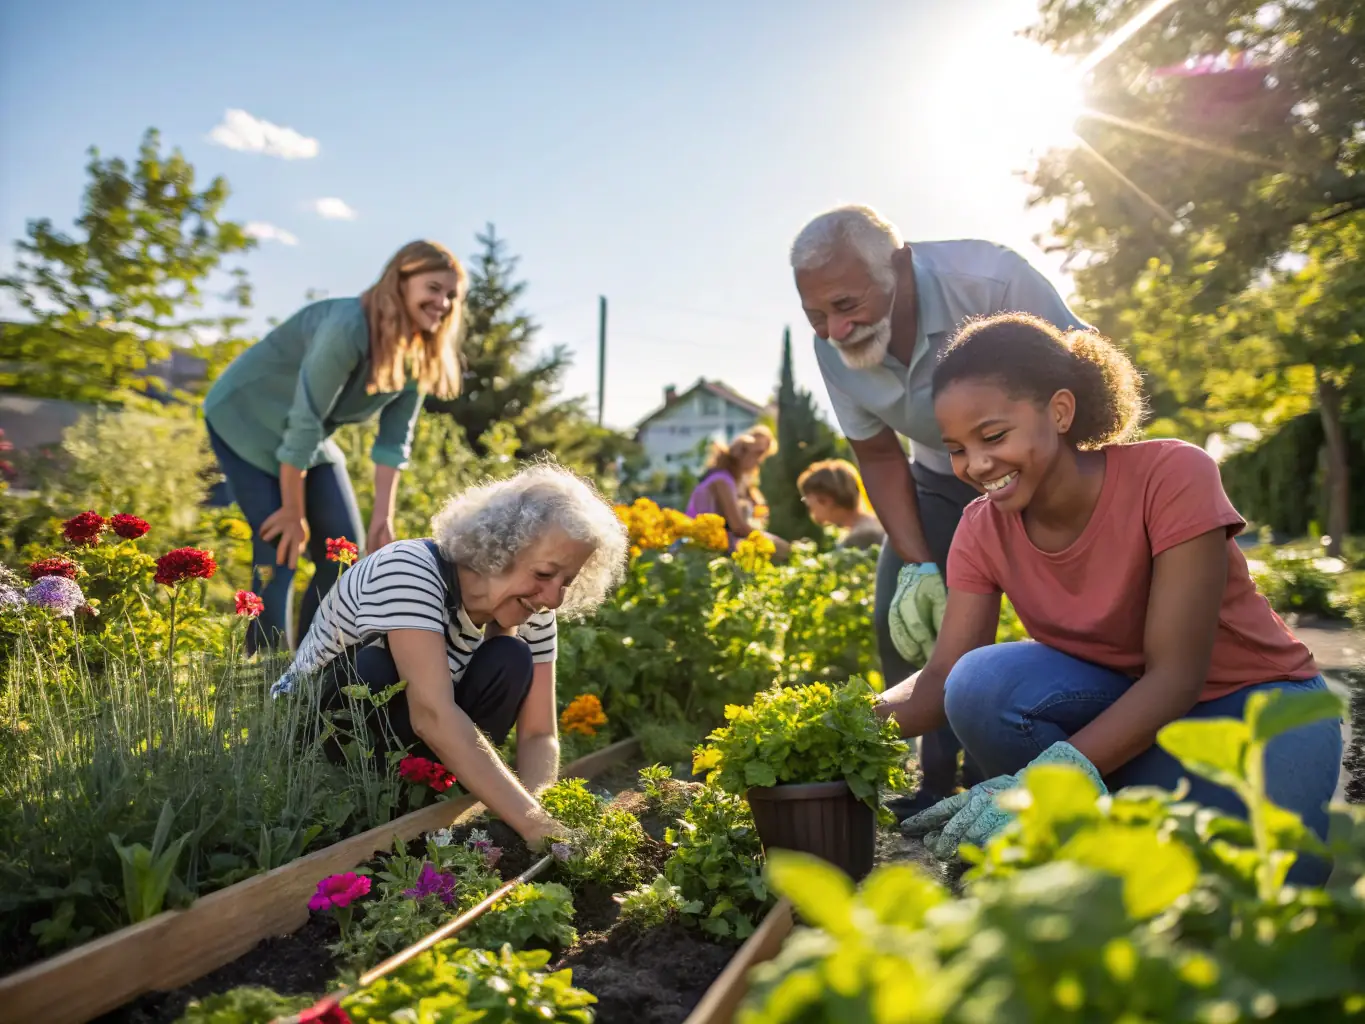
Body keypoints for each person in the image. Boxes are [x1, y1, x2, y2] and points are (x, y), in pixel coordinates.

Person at [878, 313, 1342, 883]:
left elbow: (1177, 676)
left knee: (1246, 894)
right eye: (956, 449)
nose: (975, 465)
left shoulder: (1172, 475)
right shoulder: (982, 527)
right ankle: (1084, 846)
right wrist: (829, 727)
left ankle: (1095, 821)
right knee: (979, 684)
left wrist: (1051, 780)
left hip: (1254, 706)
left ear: (1060, 411)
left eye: (994, 436)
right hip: (1123, 711)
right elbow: (941, 679)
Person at [790, 204, 1088, 810]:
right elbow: (877, 454)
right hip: (940, 476)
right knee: (902, 618)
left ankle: (1007, 772)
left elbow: (1083, 382)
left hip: (1045, 469)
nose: (834, 331)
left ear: (897, 266)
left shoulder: (992, 282)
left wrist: (1069, 508)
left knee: (1057, 622)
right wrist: (920, 563)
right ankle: (934, 782)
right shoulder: (832, 348)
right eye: (815, 315)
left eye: (847, 306)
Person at [273, 463, 629, 848]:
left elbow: (540, 733)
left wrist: (540, 809)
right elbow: (431, 715)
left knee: (511, 657)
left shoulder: (532, 607)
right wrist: (531, 823)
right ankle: (356, 817)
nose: (554, 597)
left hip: (409, 748)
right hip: (313, 741)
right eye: (545, 574)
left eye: (567, 581)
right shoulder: (410, 569)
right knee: (376, 667)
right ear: (498, 547)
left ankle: (426, 809)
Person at [204, 240, 466, 653]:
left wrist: (383, 517)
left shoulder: (417, 354)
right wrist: (292, 511)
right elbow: (305, 422)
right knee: (280, 551)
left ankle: (309, 672)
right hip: (246, 418)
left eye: (451, 294)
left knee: (343, 553)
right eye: (433, 288)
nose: (444, 302)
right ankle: (263, 683)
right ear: (399, 281)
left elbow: (394, 440)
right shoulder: (347, 326)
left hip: (305, 438)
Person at [685, 432, 790, 557]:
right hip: (703, 542)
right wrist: (769, 542)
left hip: (715, 540)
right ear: (741, 455)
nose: (759, 460)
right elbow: (738, 527)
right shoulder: (722, 481)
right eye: (756, 454)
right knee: (783, 550)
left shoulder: (732, 480)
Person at [797, 459, 885, 550]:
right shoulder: (879, 523)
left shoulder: (861, 538)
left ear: (826, 500)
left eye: (808, 500)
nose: (809, 506)